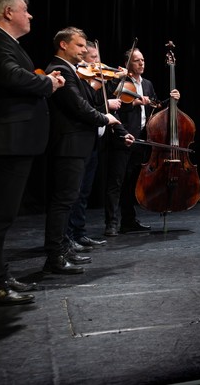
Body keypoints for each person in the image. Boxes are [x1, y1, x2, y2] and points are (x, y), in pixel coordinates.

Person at [0, 0, 65, 305]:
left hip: (11, 141)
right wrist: (48, 83)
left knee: (2, 214)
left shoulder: (0, 41)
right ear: (8, 12)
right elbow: (12, 77)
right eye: (25, 9)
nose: (30, 15)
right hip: (6, 140)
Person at [43, 27, 130, 275]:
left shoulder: (71, 70)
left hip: (78, 144)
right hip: (69, 145)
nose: (84, 50)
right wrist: (105, 118)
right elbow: (79, 107)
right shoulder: (59, 69)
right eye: (80, 45)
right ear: (63, 45)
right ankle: (55, 256)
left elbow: (88, 102)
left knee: (69, 199)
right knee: (63, 201)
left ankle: (64, 248)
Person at [104, 47, 176, 236]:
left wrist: (171, 99)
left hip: (142, 139)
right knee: (116, 183)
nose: (141, 63)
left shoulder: (147, 84)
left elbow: (155, 105)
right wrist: (134, 103)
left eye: (142, 60)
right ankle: (111, 223)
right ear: (128, 64)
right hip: (123, 137)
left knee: (132, 183)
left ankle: (129, 221)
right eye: (137, 60)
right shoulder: (120, 82)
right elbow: (112, 108)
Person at [66, 41, 123, 248]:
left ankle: (79, 233)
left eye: (98, 58)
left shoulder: (98, 82)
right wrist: (106, 103)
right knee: (74, 193)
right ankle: (68, 237)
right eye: (93, 58)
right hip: (78, 142)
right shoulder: (80, 80)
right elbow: (85, 108)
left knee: (84, 193)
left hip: (94, 142)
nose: (98, 64)